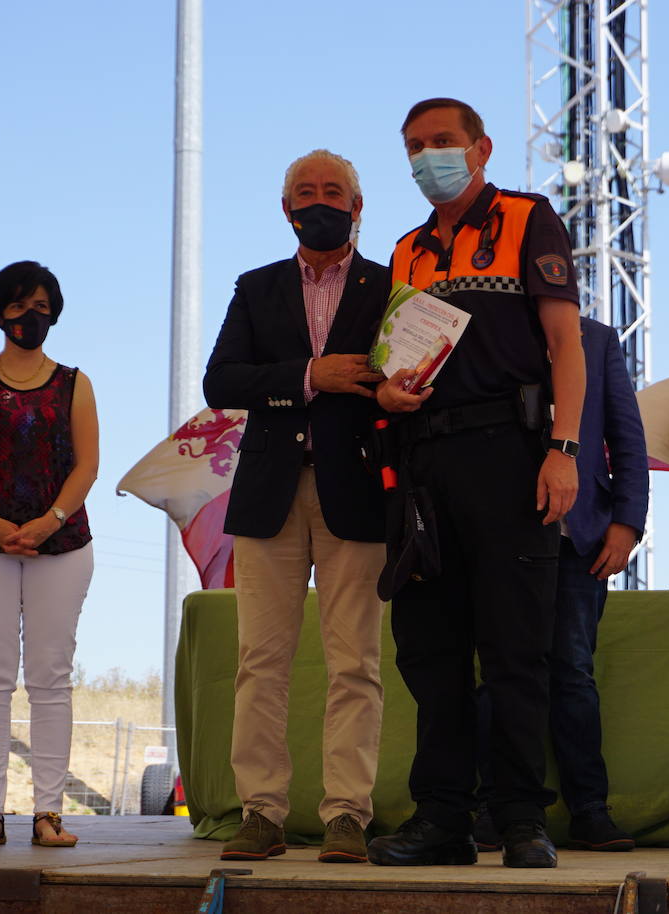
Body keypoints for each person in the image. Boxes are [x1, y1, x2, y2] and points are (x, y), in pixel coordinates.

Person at [367, 98, 585, 869]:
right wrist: (386, 392)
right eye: (415, 147)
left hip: (513, 455)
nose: (430, 157)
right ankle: (442, 820)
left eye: (443, 143)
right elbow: (398, 361)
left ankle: (522, 818)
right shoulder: (406, 250)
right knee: (431, 651)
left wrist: (563, 447)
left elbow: (566, 343)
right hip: (426, 466)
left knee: (517, 649)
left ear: (481, 148)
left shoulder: (530, 219)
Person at [203, 149, 389, 865]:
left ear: (357, 205)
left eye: (333, 191)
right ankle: (261, 813)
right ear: (286, 209)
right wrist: (312, 376)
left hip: (358, 492)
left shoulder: (389, 286)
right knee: (261, 662)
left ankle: (347, 815)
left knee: (356, 665)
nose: (320, 201)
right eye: (305, 192)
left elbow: (409, 371)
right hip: (269, 495)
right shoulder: (256, 288)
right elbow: (222, 380)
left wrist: (368, 385)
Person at [473, 317, 649, 853]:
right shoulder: (490, 328)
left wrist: (627, 521)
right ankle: (490, 809)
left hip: (580, 537)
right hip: (499, 529)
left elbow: (626, 434)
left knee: (573, 673)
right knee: (499, 674)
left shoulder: (596, 338)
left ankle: (590, 811)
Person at [0, 261, 99, 849]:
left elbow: (87, 463)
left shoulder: (76, 382)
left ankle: (49, 813)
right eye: (16, 305)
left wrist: (47, 521)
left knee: (51, 678)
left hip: (62, 545)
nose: (28, 316)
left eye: (39, 305)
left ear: (54, 312)